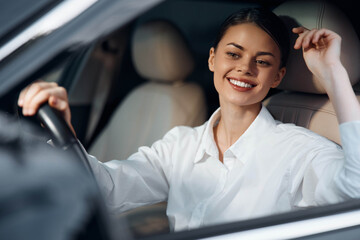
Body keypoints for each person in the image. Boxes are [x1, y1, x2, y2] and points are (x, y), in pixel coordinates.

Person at [17, 8, 360, 232]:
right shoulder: (180, 144)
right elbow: (107, 191)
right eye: (233, 54)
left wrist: (333, 74)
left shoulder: (298, 150)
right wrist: (66, 134)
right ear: (212, 59)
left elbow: (355, 190)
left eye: (263, 61)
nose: (245, 68)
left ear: (278, 75)